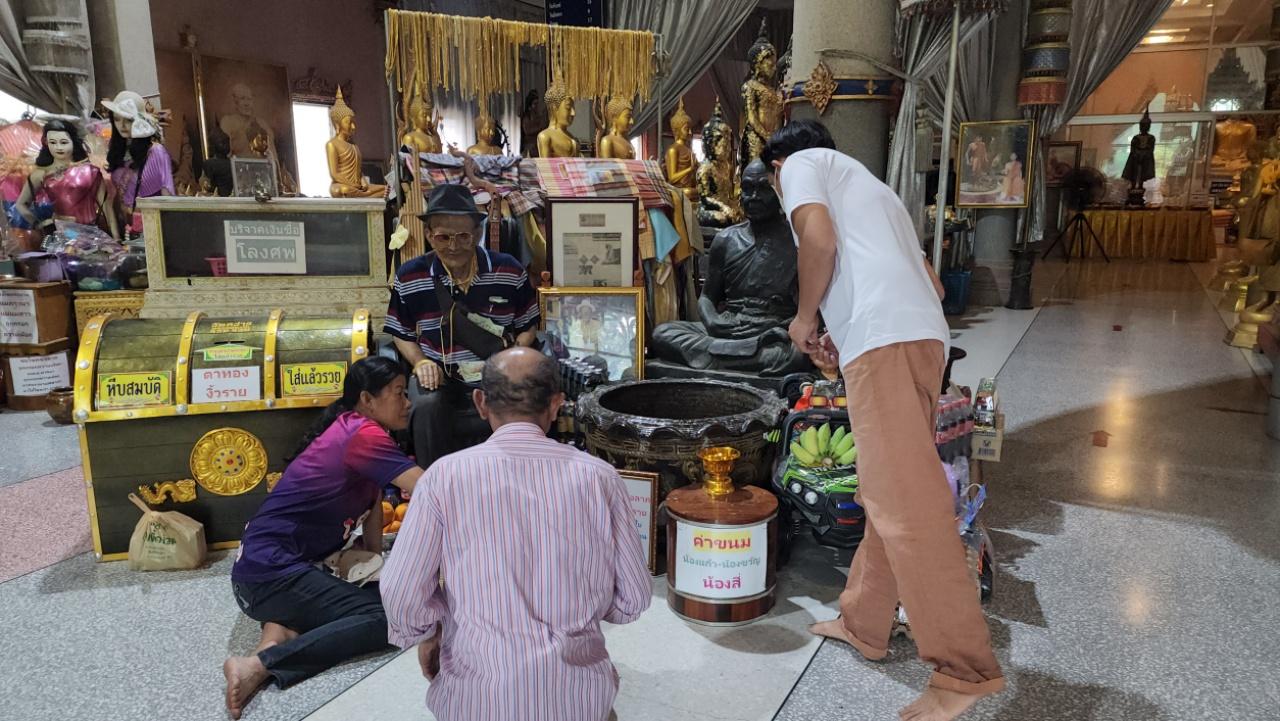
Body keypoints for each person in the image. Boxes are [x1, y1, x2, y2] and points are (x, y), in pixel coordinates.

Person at [763, 120, 1004, 721]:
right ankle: (864, 622)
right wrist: (844, 337)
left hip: (886, 345)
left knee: (908, 507)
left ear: (778, 168)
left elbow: (818, 242)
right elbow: (931, 285)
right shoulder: (876, 191)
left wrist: (805, 318)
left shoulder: (799, 166)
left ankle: (964, 671)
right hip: (922, 341)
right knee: (887, 491)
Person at [382, 347, 651, 721]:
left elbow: (400, 590)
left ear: (480, 403)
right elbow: (634, 596)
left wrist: (428, 633)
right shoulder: (600, 477)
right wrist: (584, 612)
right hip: (579, 703)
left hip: (476, 703)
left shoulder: (444, 477)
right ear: (556, 405)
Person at [222, 357, 424, 719]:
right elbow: (431, 488)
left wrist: (375, 561)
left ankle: (274, 639)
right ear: (367, 399)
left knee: (388, 595)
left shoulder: (353, 428)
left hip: (267, 576)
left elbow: (374, 501)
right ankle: (263, 664)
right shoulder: (364, 434)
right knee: (389, 618)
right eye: (398, 393)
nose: (407, 402)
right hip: (270, 576)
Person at [385, 183, 540, 468]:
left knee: (528, 397)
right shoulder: (410, 276)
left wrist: (512, 360)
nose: (453, 246)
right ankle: (435, 481)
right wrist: (420, 362)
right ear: (429, 235)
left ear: (478, 234)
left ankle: (518, 478)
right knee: (427, 404)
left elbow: (528, 326)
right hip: (441, 374)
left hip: (496, 371)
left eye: (463, 236)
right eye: (443, 237)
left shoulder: (508, 270)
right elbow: (400, 332)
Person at [103, 90, 174, 234]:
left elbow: (167, 193)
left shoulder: (156, 152)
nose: (122, 125)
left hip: (154, 225)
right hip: (126, 226)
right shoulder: (117, 151)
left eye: (128, 120)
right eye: (117, 119)